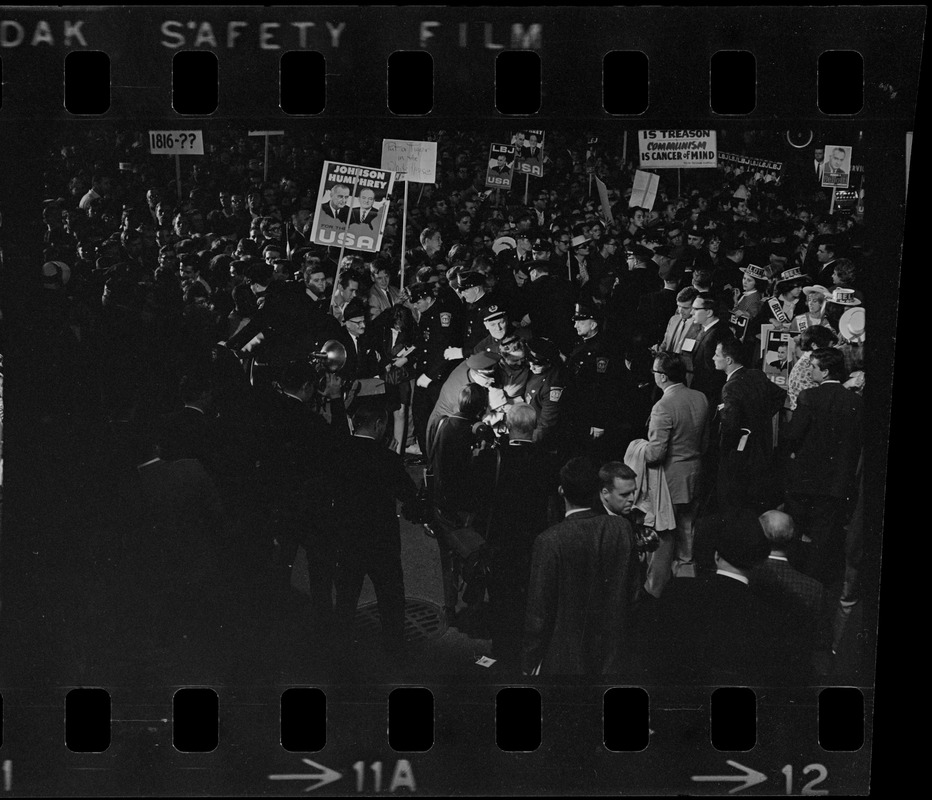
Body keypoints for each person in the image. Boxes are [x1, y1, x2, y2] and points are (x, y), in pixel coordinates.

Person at [522, 457, 640, 676]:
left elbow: (538, 614)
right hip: (613, 658)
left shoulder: (549, 541)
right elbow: (633, 597)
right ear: (598, 491)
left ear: (561, 491)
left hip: (564, 661)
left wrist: (529, 663)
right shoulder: (622, 529)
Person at [331, 400, 419, 660]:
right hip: (381, 540)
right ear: (379, 424)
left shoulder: (339, 452)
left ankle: (340, 654)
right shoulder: (387, 458)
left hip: (347, 538)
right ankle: (394, 652)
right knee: (390, 598)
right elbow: (409, 496)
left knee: (346, 599)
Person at [782, 348, 863, 585]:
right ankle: (812, 586)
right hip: (836, 483)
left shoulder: (809, 397)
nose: (809, 369)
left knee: (794, 532)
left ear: (825, 371)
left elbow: (793, 435)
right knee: (823, 538)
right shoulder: (856, 402)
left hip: (804, 480)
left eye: (813, 366)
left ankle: (791, 580)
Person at [642, 353, 709, 589]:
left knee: (663, 537)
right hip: (694, 474)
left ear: (661, 377)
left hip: (668, 480)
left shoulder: (663, 406)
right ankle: (686, 589)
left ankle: (656, 591)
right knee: (687, 534)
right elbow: (705, 442)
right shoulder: (700, 398)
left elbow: (655, 454)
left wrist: (638, 448)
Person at [713, 337, 787, 511]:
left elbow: (730, 427)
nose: (713, 358)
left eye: (716, 355)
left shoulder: (730, 387)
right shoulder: (757, 375)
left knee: (734, 503)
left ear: (728, 360)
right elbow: (779, 395)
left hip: (739, 457)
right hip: (762, 450)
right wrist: (760, 418)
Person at [686, 292, 734, 404]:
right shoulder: (703, 329)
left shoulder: (720, 333)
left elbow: (715, 373)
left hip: (708, 396)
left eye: (696, 309)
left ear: (709, 312)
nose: (691, 312)